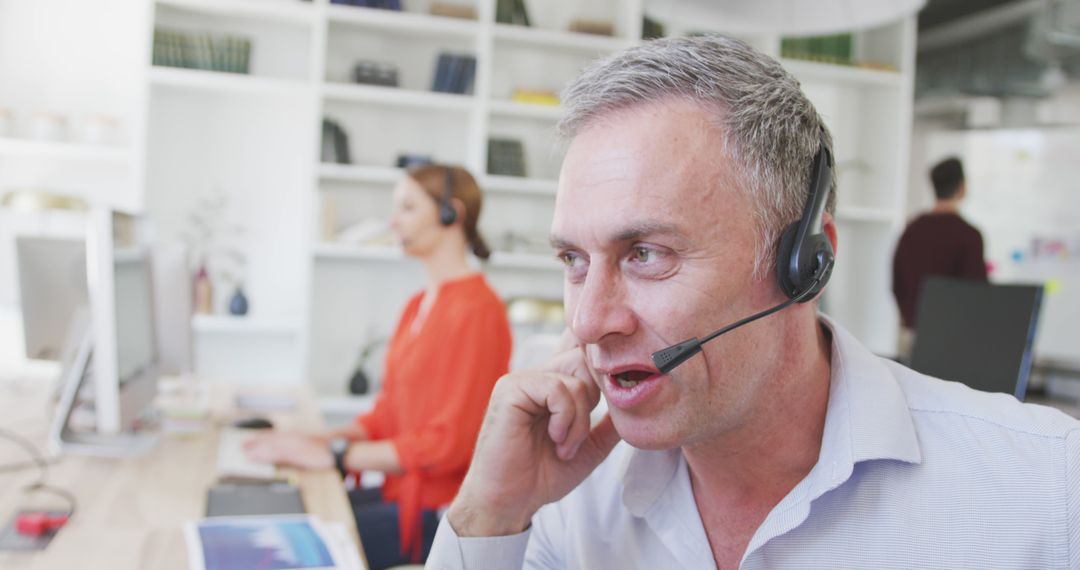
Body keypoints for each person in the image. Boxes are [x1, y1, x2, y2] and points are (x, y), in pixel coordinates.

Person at [427, 36, 1080, 568]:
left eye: (646, 254)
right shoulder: (566, 499)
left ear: (807, 263)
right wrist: (488, 516)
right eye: (573, 261)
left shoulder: (1047, 491)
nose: (589, 321)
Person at [244, 164, 512, 569]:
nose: (393, 220)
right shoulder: (416, 305)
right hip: (397, 493)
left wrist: (339, 456)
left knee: (285, 550)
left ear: (450, 214)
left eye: (407, 207)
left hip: (435, 516)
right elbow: (389, 412)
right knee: (281, 515)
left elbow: (451, 444)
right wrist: (320, 439)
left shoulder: (479, 311)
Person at [892, 156, 988, 357]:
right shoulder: (969, 235)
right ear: (962, 188)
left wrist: (909, 317)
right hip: (955, 341)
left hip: (914, 335)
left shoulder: (913, 229)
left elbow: (897, 282)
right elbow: (978, 294)